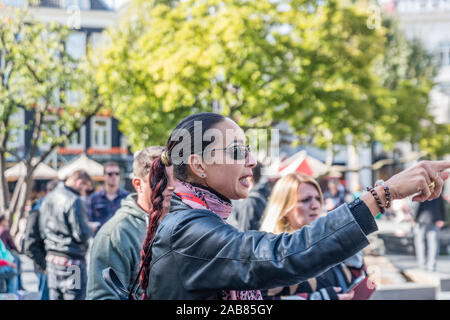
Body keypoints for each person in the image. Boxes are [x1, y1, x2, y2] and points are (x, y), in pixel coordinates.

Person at [138, 112, 450, 300]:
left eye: (248, 149)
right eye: (236, 150)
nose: (251, 161)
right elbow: (283, 255)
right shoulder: (187, 229)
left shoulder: (195, 220)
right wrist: (384, 193)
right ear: (198, 165)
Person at [260, 173, 372, 300]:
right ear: (284, 207)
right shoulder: (272, 252)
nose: (315, 205)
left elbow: (358, 277)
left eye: (318, 198)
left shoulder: (328, 242)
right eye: (305, 200)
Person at [86, 146, 172, 300]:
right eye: (161, 180)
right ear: (138, 184)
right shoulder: (114, 234)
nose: (171, 187)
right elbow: (104, 295)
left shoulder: (181, 223)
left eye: (176, 178)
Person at [39, 170, 93, 300]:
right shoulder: (74, 200)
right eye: (86, 189)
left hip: (52, 260)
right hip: (73, 263)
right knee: (76, 296)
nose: (85, 193)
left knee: (55, 296)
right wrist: (90, 228)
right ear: (80, 182)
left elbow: (42, 229)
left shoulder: (48, 197)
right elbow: (81, 234)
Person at [23, 179, 59, 300]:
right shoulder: (38, 210)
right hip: (45, 268)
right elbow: (29, 246)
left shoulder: (55, 210)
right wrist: (45, 266)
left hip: (56, 266)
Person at [87, 161, 130, 235]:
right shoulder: (94, 198)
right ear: (104, 176)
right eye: (110, 174)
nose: (114, 176)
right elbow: (89, 221)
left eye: (117, 174)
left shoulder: (127, 197)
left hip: (122, 239)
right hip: (100, 239)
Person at [228, 162, 271, 231]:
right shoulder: (266, 194)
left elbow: (244, 236)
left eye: (241, 177)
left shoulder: (249, 201)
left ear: (249, 177)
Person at [412, 193, 446, 272]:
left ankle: (422, 264)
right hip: (434, 219)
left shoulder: (423, 191)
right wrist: (442, 218)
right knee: (433, 244)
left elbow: (417, 205)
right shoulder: (438, 192)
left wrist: (414, 219)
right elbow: (442, 205)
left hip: (422, 219)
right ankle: (431, 265)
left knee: (420, 243)